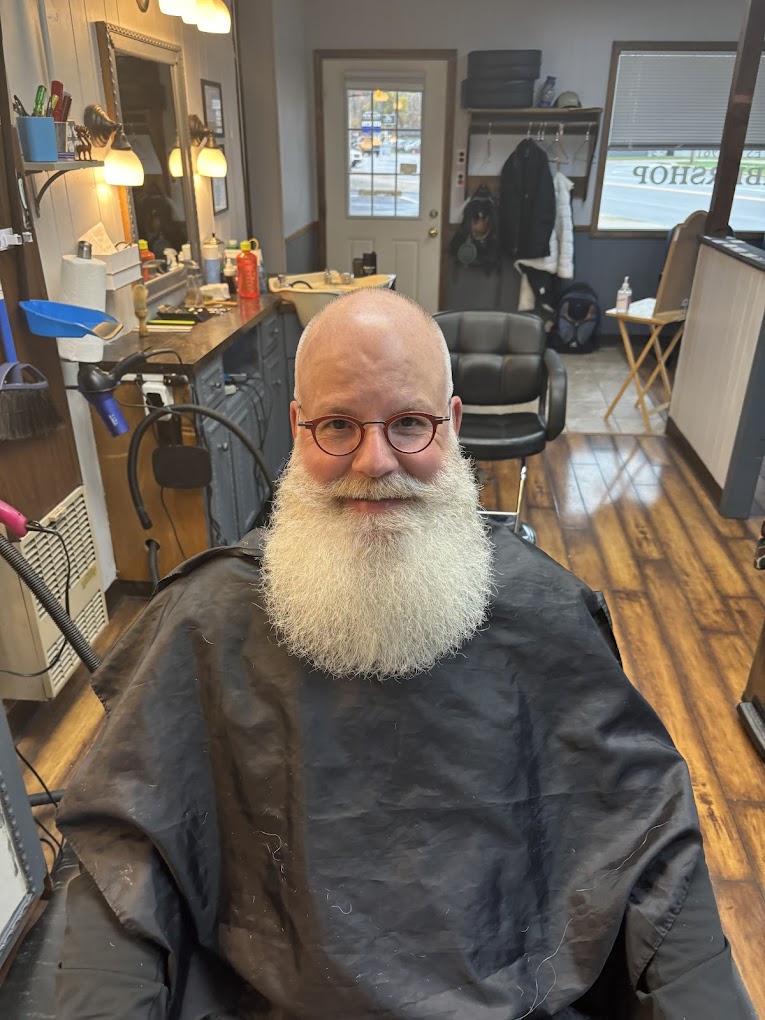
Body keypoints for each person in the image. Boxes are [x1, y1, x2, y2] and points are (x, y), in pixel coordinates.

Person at [56, 289, 749, 1019]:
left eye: (409, 424)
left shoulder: (544, 615)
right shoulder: (207, 618)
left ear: (451, 423)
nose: (375, 460)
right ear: (297, 429)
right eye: (337, 426)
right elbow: (127, 846)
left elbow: (644, 838)